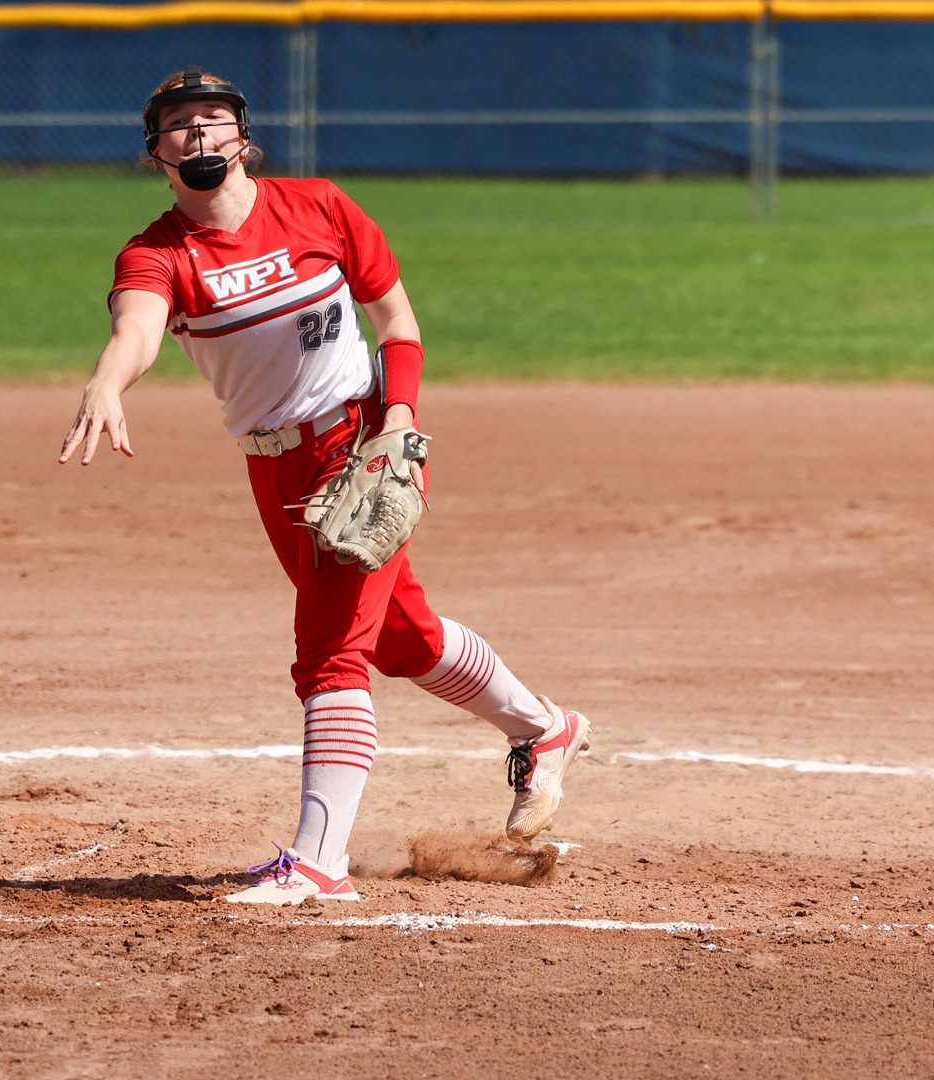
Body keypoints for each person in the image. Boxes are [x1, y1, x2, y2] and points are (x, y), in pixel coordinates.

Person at [57, 67, 590, 905]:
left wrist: (398, 422)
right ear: (155, 151)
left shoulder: (319, 206)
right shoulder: (160, 252)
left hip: (362, 448)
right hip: (275, 471)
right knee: (402, 640)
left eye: (212, 118)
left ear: (243, 135)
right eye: (177, 124)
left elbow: (398, 325)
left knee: (330, 652)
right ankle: (542, 726)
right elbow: (139, 326)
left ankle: (318, 860)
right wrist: (106, 383)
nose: (197, 134)